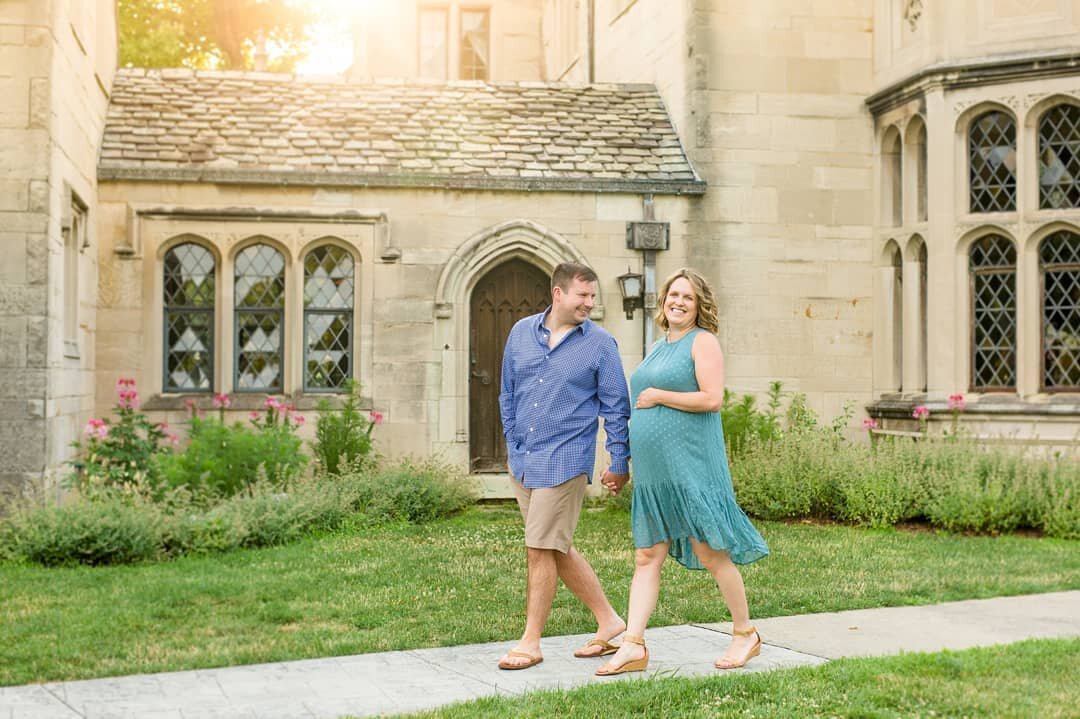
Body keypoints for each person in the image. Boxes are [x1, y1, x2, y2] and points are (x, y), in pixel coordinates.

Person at [596, 267, 769, 676]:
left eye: (687, 297)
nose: (678, 301)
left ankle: (745, 633)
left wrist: (658, 395)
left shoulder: (702, 341)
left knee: (710, 550)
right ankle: (634, 645)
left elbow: (712, 398)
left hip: (690, 465)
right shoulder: (659, 346)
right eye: (673, 294)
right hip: (656, 473)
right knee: (646, 555)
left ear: (699, 305)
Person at [496, 262, 632, 670]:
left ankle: (531, 642)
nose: (590, 303)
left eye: (593, 297)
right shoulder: (521, 332)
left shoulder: (600, 344)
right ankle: (609, 621)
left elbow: (616, 407)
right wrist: (513, 443)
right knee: (556, 546)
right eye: (582, 296)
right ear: (558, 294)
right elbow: (507, 392)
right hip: (525, 459)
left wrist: (619, 460)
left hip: (565, 459)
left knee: (539, 548)